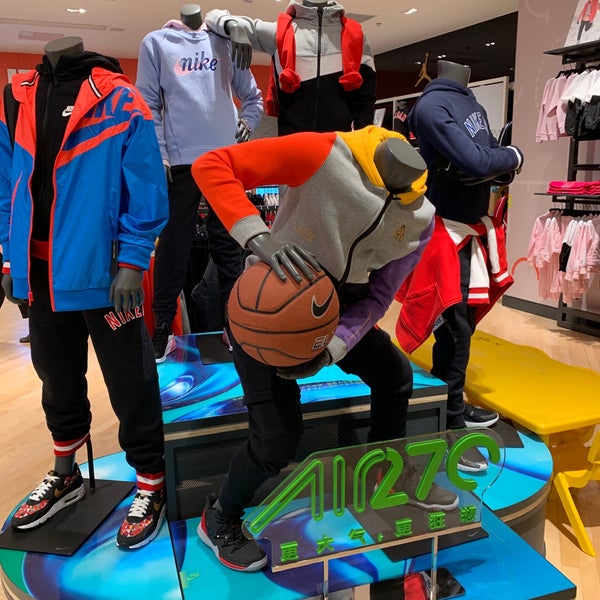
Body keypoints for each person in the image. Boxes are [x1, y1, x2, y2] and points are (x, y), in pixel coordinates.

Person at [191, 125, 459, 572]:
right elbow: (212, 165)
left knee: (395, 375)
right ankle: (220, 516)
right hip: (269, 313)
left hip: (335, 313)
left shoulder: (422, 219)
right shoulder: (325, 152)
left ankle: (385, 469)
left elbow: (379, 296)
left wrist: (334, 347)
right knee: (277, 439)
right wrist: (257, 236)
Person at [0, 36, 169, 550]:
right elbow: (6, 183)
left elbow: (147, 185)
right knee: (55, 376)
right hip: (41, 273)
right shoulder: (16, 96)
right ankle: (65, 473)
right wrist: (9, 257)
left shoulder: (119, 97)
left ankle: (151, 482)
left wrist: (133, 260)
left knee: (130, 380)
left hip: (105, 274)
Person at [395, 60, 524, 472]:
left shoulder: (471, 105)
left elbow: (486, 166)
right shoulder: (433, 107)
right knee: (455, 329)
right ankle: (448, 427)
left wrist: (494, 162)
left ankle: (451, 406)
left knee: (461, 327)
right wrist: (512, 155)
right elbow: (480, 162)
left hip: (466, 231)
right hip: (442, 234)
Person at [136, 3, 264, 361]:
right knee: (173, 247)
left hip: (225, 161)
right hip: (180, 162)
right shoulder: (156, 43)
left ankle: (234, 326)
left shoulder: (224, 40)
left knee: (230, 246)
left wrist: (248, 124)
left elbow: (254, 98)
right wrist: (160, 154)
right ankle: (162, 327)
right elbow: (148, 103)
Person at [204, 0, 376, 136]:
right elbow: (212, 17)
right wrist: (233, 26)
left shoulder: (356, 37)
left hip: (339, 149)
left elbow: (365, 103)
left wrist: (363, 149)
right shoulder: (280, 32)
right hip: (291, 149)